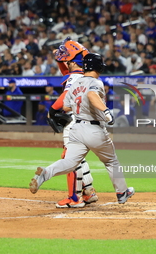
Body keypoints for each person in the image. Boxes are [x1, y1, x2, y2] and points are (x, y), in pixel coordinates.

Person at [29, 53, 135, 205]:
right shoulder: (96, 82)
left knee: (69, 162)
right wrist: (106, 112)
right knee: (111, 161)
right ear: (98, 67)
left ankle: (46, 173)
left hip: (77, 128)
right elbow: (92, 95)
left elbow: (65, 106)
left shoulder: (75, 84)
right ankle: (122, 192)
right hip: (94, 130)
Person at [44, 38, 98, 208]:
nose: (63, 61)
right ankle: (88, 192)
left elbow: (64, 98)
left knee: (69, 158)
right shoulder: (82, 75)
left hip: (75, 121)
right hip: (85, 121)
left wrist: (52, 110)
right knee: (78, 158)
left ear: (73, 62)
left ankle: (73, 198)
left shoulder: (75, 77)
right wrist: (61, 57)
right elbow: (65, 71)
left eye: (66, 59)